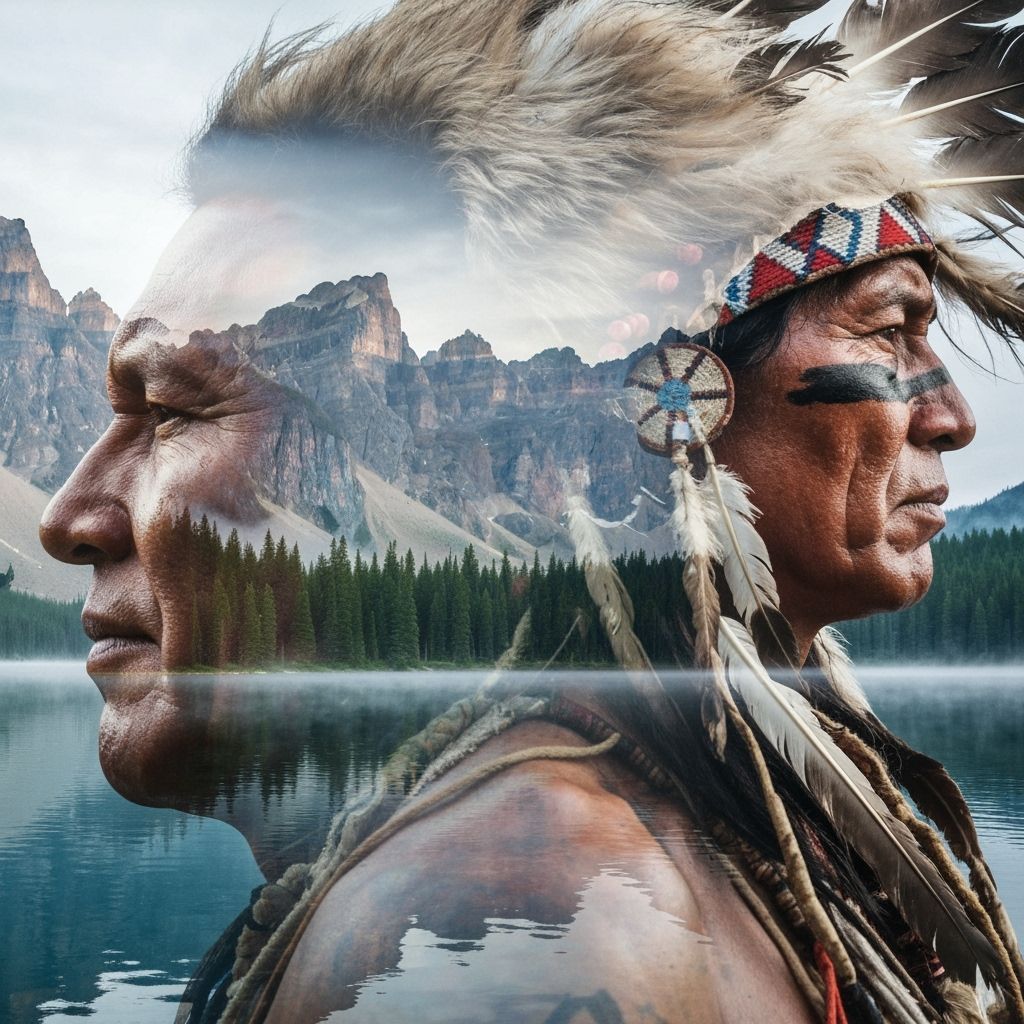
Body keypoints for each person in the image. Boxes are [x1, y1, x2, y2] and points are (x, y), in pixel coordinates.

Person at [38, 1, 1024, 1022]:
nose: (71, 516)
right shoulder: (552, 896)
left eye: (171, 412)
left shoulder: (512, 916)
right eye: (894, 332)